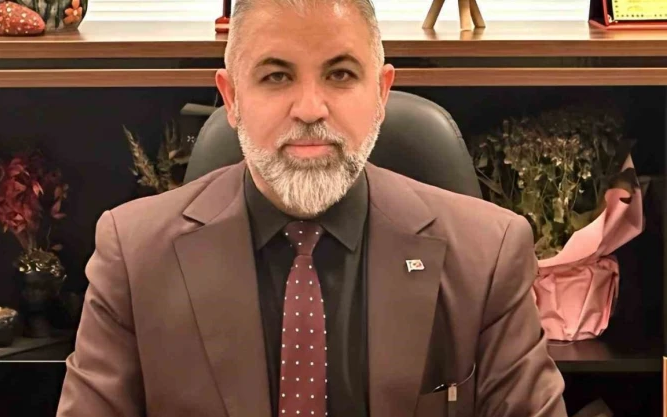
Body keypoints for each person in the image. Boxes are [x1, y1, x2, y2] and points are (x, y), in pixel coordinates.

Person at [56, 0, 567, 416]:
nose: (309, 109)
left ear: (381, 93)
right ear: (231, 98)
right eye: (276, 77)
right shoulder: (134, 254)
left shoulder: (488, 255)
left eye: (340, 74)